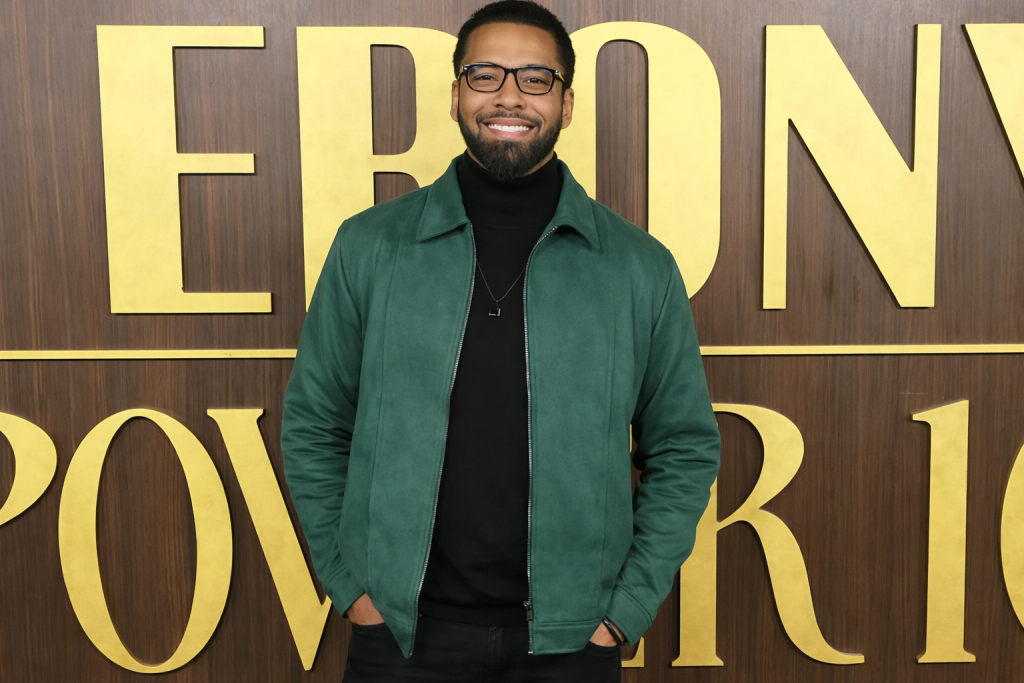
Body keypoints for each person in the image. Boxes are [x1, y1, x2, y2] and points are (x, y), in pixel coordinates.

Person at [281, 1, 720, 680]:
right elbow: (314, 422)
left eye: (535, 78)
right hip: (399, 637)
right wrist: (352, 587)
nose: (509, 96)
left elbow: (685, 446)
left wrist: (621, 612)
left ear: (566, 104)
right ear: (456, 94)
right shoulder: (369, 247)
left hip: (572, 644)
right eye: (485, 75)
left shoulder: (639, 267)